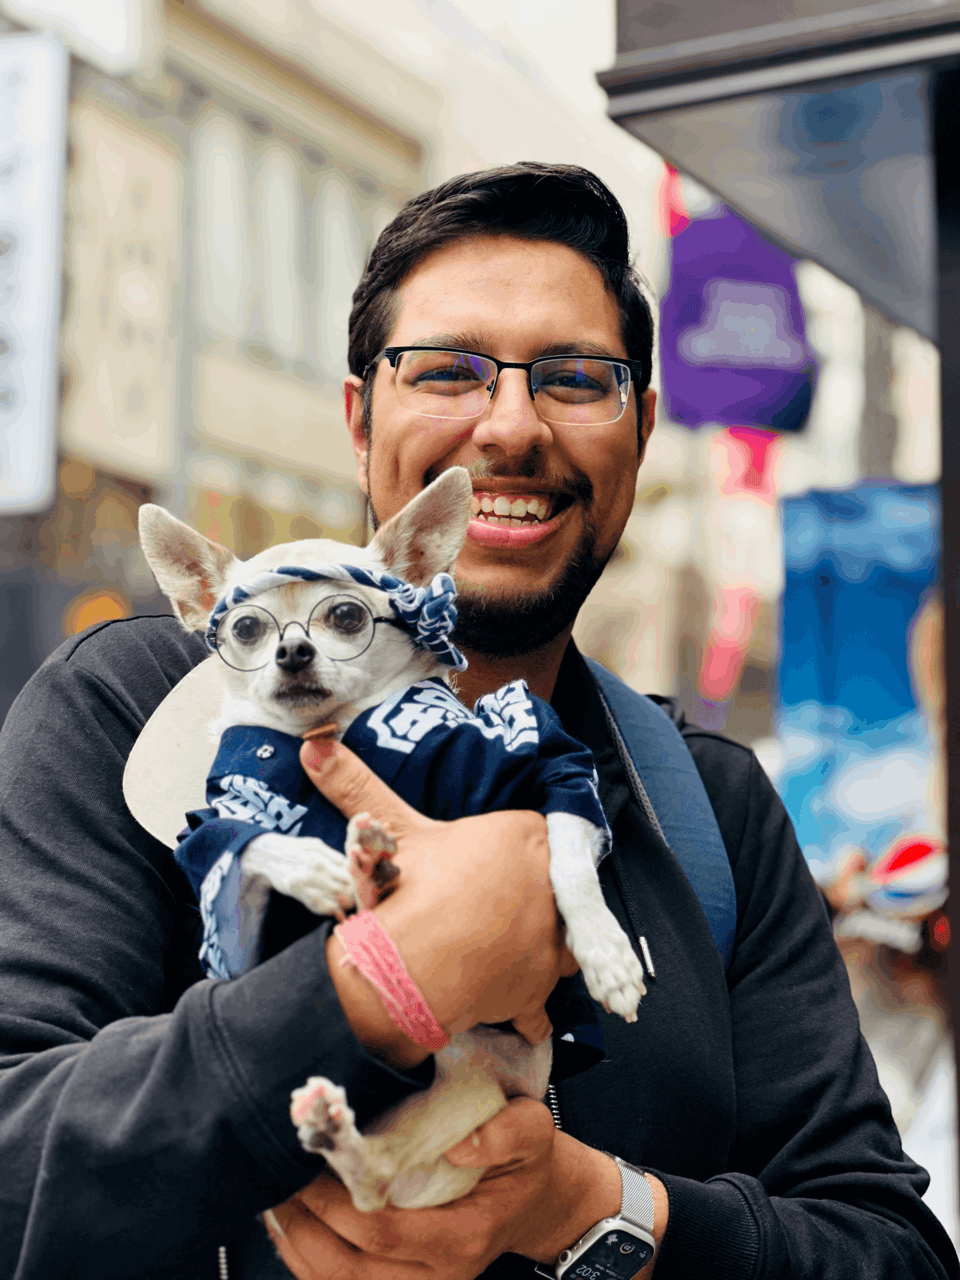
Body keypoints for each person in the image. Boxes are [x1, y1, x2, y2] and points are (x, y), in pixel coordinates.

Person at [0, 163, 956, 1280]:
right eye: (448, 370)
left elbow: (890, 1253)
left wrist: (596, 1206)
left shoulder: (710, 808)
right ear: (361, 420)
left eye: (575, 378)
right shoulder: (130, 717)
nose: (509, 426)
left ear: (641, 432)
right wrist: (375, 984)